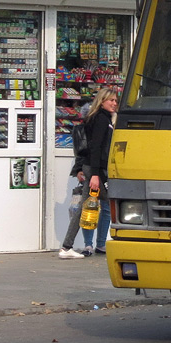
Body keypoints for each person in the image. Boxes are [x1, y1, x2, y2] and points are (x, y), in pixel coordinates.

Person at [58, 88, 118, 259]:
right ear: (102, 101)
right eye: (110, 100)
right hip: (95, 169)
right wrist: (96, 175)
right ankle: (67, 247)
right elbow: (96, 147)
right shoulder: (101, 119)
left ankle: (69, 246)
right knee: (104, 205)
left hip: (93, 169)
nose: (114, 103)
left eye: (115, 100)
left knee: (97, 206)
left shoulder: (101, 118)